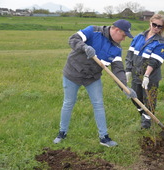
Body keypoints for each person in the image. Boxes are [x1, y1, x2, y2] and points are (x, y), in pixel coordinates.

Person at [53, 19, 137, 147]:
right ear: (116, 30)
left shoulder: (116, 49)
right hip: (73, 73)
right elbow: (73, 39)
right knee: (68, 103)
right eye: (124, 35)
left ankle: (104, 137)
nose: (124, 39)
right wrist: (84, 47)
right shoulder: (93, 30)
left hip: (92, 78)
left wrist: (125, 87)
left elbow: (118, 71)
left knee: (98, 104)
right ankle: (62, 133)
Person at [125, 14, 164, 129]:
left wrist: (147, 75)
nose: (156, 28)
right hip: (136, 74)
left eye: (159, 26)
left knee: (149, 100)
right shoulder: (139, 37)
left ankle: (146, 124)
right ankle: (143, 114)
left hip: (151, 77)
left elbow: (154, 61)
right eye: (154, 25)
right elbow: (130, 54)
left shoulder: (160, 43)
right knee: (135, 97)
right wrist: (128, 69)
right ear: (150, 23)